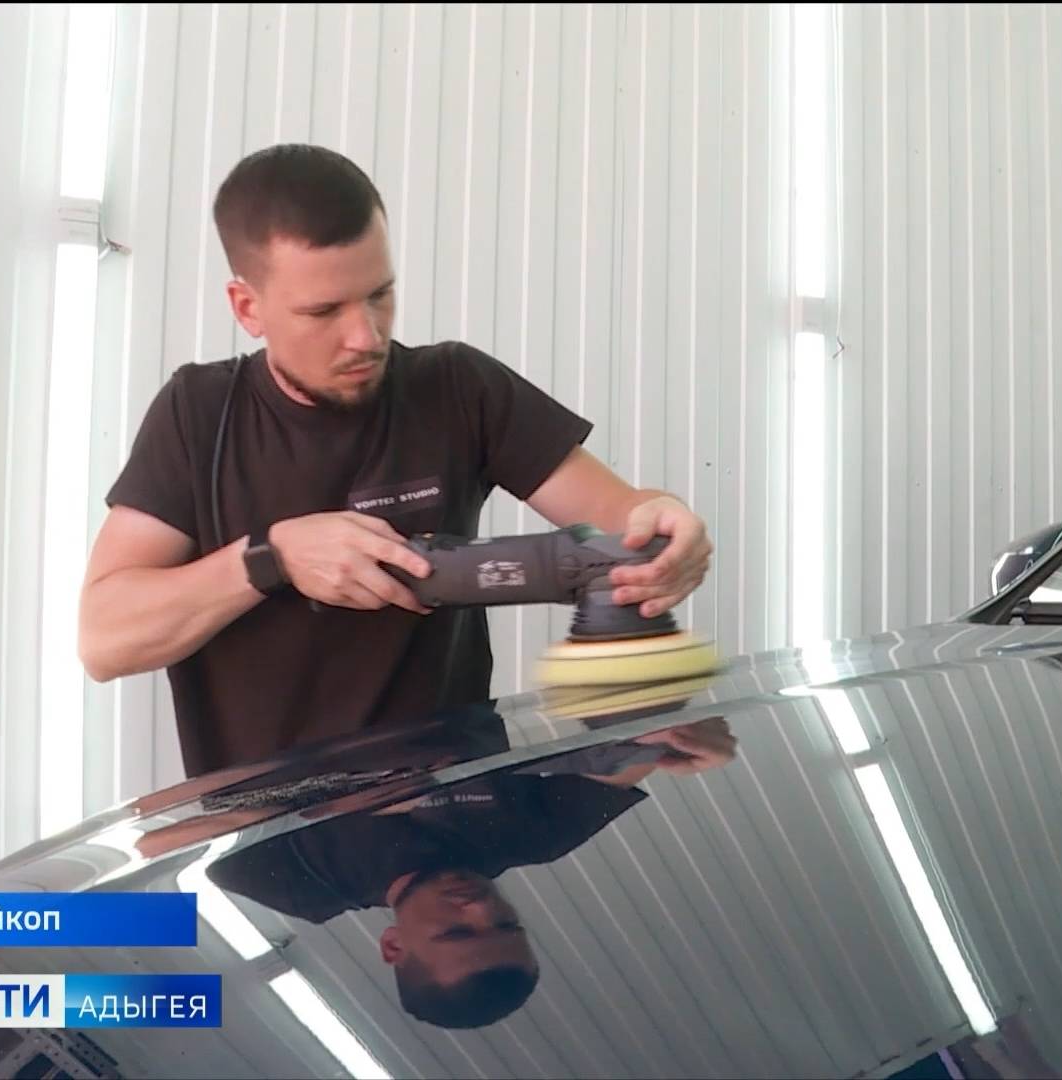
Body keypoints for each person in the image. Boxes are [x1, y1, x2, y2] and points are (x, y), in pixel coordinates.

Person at [78, 144, 714, 777]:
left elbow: (623, 517)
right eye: (324, 311)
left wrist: (666, 522)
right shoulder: (198, 414)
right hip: (276, 828)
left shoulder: (459, 387)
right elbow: (104, 641)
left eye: (380, 295)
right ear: (248, 307)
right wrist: (273, 558)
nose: (367, 336)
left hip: (455, 810)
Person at [206, 716, 739, 1029]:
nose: (482, 906)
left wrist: (347, 799)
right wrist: (686, 735)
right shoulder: (537, 835)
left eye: (457, 932)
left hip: (261, 657)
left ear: (393, 946)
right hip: (421, 611)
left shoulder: (297, 886)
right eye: (507, 924)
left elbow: (176, 828)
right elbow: (640, 745)